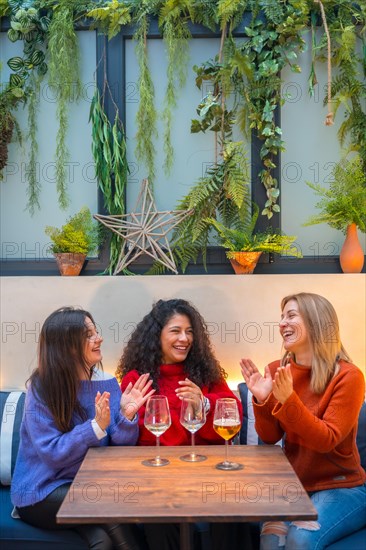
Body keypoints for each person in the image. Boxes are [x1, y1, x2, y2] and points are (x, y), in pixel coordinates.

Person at [11, 306, 154, 550]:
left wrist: (126, 416)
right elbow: (53, 455)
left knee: (103, 540)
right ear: (66, 345)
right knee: (109, 504)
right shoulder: (41, 388)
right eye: (88, 335)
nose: (99, 339)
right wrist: (95, 427)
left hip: (87, 486)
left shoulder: (107, 381)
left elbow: (119, 445)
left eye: (96, 332)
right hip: (42, 492)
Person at [116, 298, 253, 550]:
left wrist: (205, 403)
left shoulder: (205, 372)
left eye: (190, 332)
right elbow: (141, 439)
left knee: (232, 502)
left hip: (206, 473)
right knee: (158, 516)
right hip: (159, 478)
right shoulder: (137, 380)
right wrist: (128, 415)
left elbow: (233, 412)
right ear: (156, 336)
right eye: (176, 331)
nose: (185, 339)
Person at [240, 292, 366, 550]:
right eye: (282, 317)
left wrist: (287, 400)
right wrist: (265, 401)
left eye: (291, 315)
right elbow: (269, 436)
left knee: (300, 538)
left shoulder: (349, 376)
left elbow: (326, 439)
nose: (282, 323)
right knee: (270, 540)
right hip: (294, 487)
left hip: (343, 487)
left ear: (316, 322)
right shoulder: (277, 369)